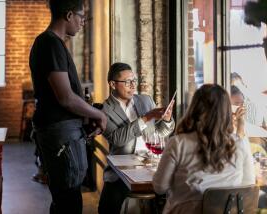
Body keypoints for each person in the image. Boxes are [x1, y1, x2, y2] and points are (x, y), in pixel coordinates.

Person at [29, 0, 107, 213]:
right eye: (82, 17)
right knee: (69, 201)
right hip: (60, 133)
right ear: (69, 15)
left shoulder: (52, 43)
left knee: (66, 199)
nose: (83, 23)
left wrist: (87, 115)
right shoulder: (50, 43)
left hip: (63, 130)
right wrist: (98, 114)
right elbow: (65, 97)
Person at [152, 84, 255, 214]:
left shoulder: (178, 143)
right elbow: (249, 184)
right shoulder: (239, 144)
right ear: (227, 112)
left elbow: (160, 187)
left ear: (195, 109)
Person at [98, 62, 175, 214]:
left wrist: (167, 120)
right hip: (121, 171)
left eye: (134, 81)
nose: (133, 85)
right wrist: (146, 118)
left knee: (169, 197)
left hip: (150, 165)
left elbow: (160, 134)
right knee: (107, 207)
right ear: (113, 84)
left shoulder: (145, 100)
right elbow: (117, 139)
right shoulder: (104, 110)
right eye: (127, 82)